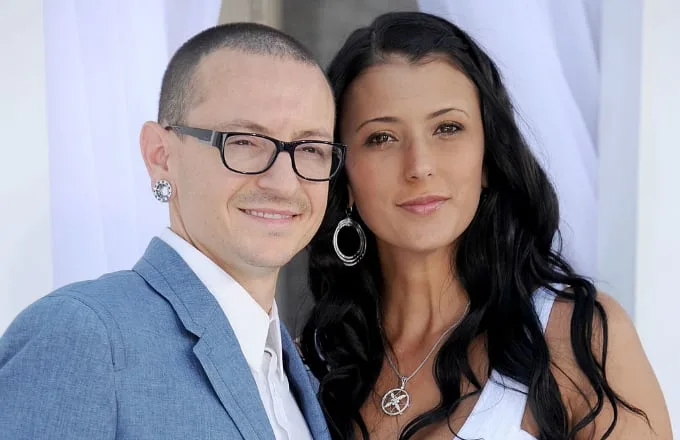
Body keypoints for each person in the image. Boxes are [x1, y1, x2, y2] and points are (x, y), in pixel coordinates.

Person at [300, 11, 672, 440]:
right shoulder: (313, 364)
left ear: (487, 160)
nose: (420, 166)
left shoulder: (577, 339)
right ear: (343, 175)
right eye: (381, 137)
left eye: (447, 128)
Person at [0, 22, 343, 440]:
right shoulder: (83, 335)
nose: (284, 183)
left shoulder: (300, 371)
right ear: (161, 155)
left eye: (310, 149)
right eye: (244, 141)